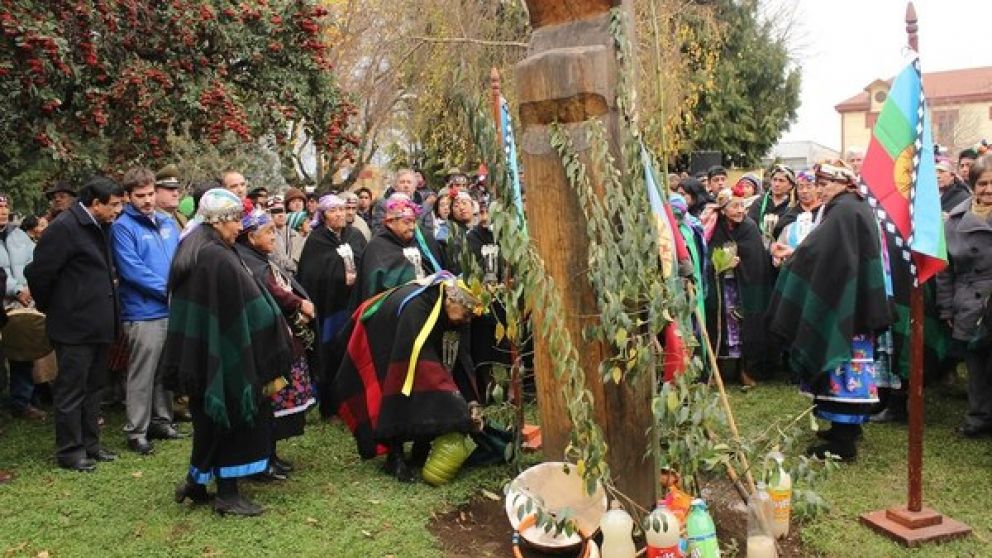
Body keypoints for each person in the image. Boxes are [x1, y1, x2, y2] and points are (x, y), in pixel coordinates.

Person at [163, 189, 293, 516]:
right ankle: (228, 495)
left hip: (202, 353)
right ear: (220, 221)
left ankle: (196, 481)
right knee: (234, 417)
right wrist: (275, 326)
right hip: (226, 353)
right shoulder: (216, 256)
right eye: (236, 220)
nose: (240, 227)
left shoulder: (195, 246)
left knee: (209, 421)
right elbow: (247, 308)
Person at [767, 160, 892, 461]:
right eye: (819, 183)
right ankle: (843, 429)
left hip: (845, 310)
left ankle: (843, 442)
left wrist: (795, 258)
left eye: (826, 183)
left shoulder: (845, 211)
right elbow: (827, 252)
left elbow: (818, 251)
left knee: (844, 370)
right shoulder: (852, 208)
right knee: (851, 368)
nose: (820, 189)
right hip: (853, 305)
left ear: (845, 184)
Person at [334, 272, 483, 482]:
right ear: (451, 299)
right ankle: (394, 456)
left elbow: (460, 358)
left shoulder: (452, 311)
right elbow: (420, 364)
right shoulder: (418, 309)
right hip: (382, 336)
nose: (467, 320)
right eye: (466, 313)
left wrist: (471, 399)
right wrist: (454, 402)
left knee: (429, 388)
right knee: (397, 387)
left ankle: (421, 447)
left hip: (408, 338)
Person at [25, 177, 124, 471]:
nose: (118, 210)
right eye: (115, 205)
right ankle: (70, 451)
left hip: (99, 323)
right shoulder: (65, 228)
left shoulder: (101, 227)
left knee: (95, 388)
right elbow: (39, 273)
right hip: (73, 325)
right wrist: (54, 307)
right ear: (96, 204)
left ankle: (91, 444)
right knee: (71, 389)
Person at [235, 209, 317, 478]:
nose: (274, 236)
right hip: (265, 345)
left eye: (273, 230)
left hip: (280, 338)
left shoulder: (261, 257)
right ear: (250, 236)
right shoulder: (249, 262)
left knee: (273, 408)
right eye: (268, 231)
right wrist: (300, 303)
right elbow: (273, 290)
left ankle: (269, 455)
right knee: (268, 404)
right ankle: (260, 461)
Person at [111, 167, 182, 455]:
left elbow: (180, 259)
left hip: (169, 308)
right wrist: (169, 291)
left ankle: (161, 421)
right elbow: (132, 271)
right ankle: (136, 430)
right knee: (142, 373)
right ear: (128, 197)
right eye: (140, 196)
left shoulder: (167, 222)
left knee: (165, 370)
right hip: (142, 311)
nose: (147, 200)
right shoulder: (122, 227)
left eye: (151, 193)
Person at [296, 194, 366, 417]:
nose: (339, 214)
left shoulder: (354, 235)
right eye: (333, 211)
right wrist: (339, 275)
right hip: (329, 308)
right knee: (330, 353)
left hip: (353, 304)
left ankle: (355, 403)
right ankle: (330, 405)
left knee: (352, 352)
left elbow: (365, 260)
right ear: (324, 215)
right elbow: (312, 273)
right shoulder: (317, 240)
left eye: (342, 210)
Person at [937, 154, 992, 438]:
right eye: (983, 183)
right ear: (972, 184)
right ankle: (978, 417)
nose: (988, 189)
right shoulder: (954, 220)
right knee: (976, 363)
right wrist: (946, 309)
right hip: (969, 301)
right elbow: (944, 270)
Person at [704, 189, 771, 387]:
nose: (741, 210)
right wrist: (722, 263)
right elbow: (709, 254)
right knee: (719, 323)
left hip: (745, 287)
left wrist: (741, 263)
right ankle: (717, 371)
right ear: (723, 209)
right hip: (722, 287)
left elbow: (756, 258)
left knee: (745, 326)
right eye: (735, 206)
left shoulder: (749, 227)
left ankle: (746, 370)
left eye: (742, 205)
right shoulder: (714, 227)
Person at [0, 193, 45, 420]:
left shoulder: (19, 236)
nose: (3, 211)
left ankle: (22, 401)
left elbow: (33, 262)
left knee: (22, 351)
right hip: (5, 298)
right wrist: (15, 289)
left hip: (23, 301)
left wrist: (29, 288)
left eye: (5, 207)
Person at [355, 195, 445, 303]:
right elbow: (373, 287)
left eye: (413, 222)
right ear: (390, 222)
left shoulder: (421, 241)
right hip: (391, 307)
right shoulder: (376, 247)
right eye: (406, 222)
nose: (412, 227)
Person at [748, 164, 795, 244]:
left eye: (781, 181)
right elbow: (749, 229)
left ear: (790, 185)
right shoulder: (759, 203)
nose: (777, 184)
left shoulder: (793, 207)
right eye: (774, 180)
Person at [270, 198, 301, 275]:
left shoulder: (295, 234)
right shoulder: (268, 236)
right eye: (276, 212)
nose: (280, 215)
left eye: (282, 211)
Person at [155, 164, 187, 228]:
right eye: (170, 189)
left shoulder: (181, 218)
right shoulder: (149, 220)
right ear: (155, 192)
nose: (175, 194)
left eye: (176, 189)